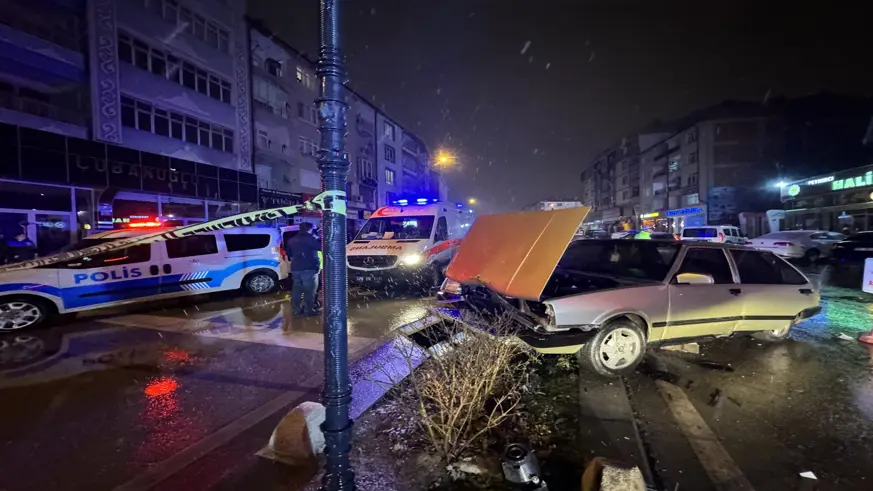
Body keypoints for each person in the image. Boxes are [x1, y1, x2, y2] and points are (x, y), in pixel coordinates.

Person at [286, 222, 321, 316]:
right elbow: (322, 247)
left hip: (295, 268)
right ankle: (309, 310)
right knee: (309, 290)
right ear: (310, 229)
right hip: (309, 268)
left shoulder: (292, 240)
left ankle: (296, 310)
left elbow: (289, 253)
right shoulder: (311, 238)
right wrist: (318, 238)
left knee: (296, 290)